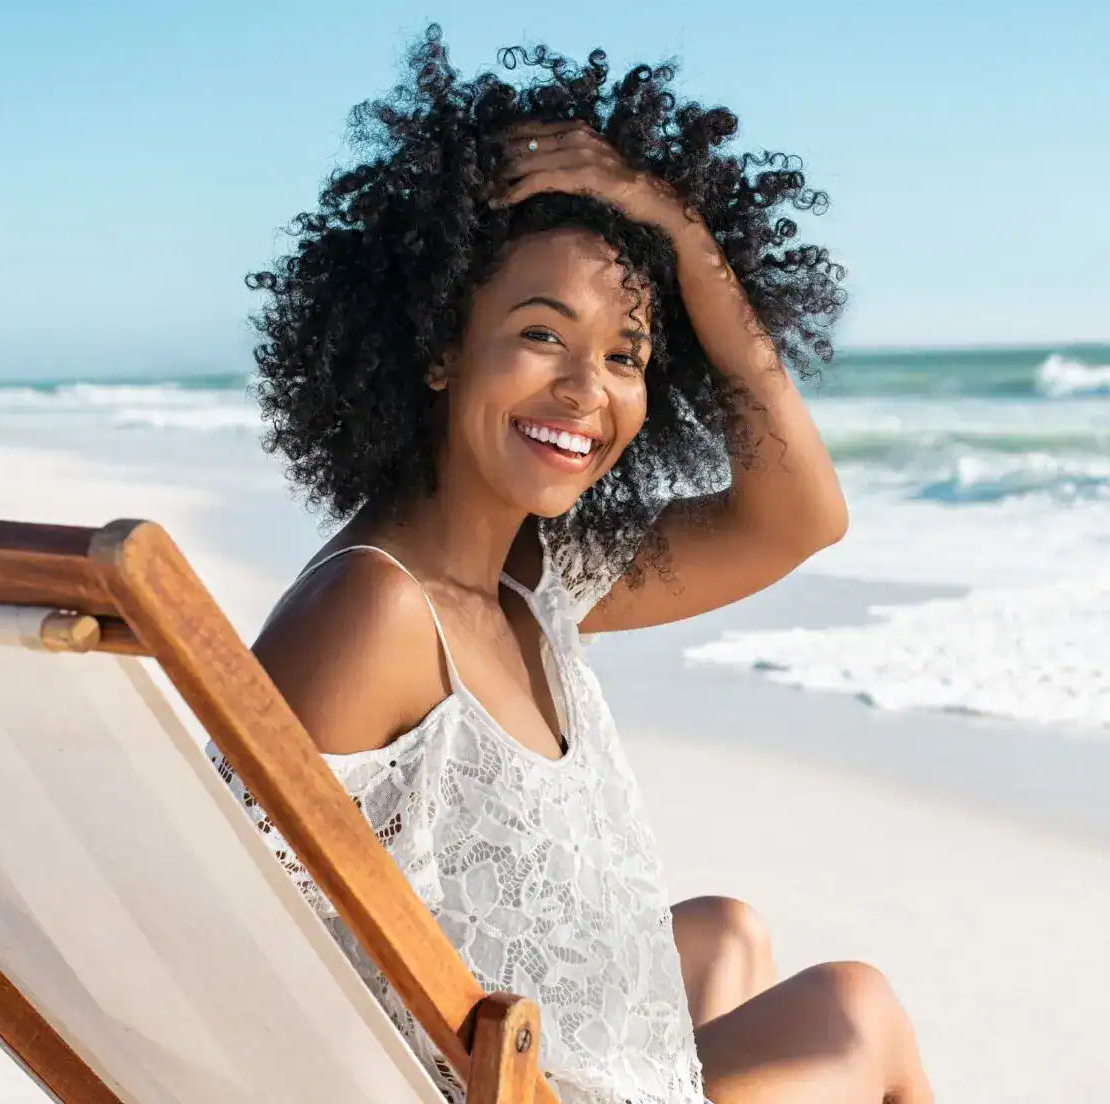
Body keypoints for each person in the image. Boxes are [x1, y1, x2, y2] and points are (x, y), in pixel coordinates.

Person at [210, 25, 932, 1104]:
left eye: (627, 354)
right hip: (480, 1087)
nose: (588, 391)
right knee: (857, 1011)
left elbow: (799, 519)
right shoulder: (373, 608)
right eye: (543, 335)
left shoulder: (530, 579)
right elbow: (228, 947)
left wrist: (689, 246)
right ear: (440, 345)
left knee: (727, 935)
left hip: (523, 1057)